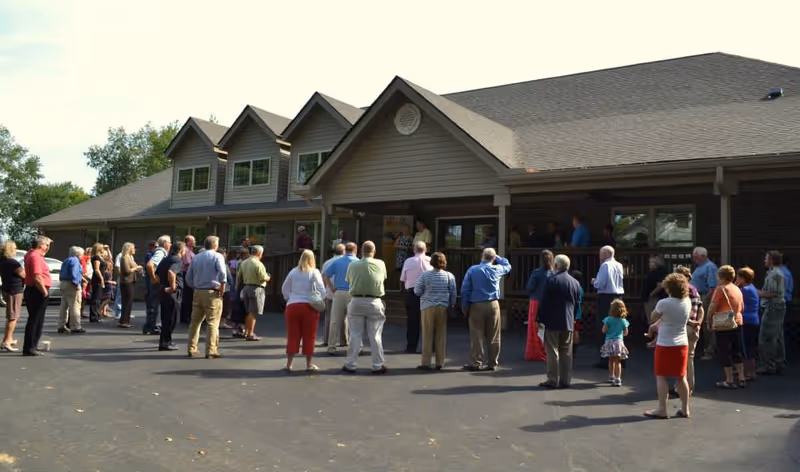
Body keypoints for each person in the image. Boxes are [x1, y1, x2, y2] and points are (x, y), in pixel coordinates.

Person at [645, 273, 692, 419]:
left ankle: (662, 409)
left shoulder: (664, 303)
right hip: (682, 343)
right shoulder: (687, 302)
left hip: (665, 343)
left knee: (661, 376)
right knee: (681, 377)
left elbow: (654, 316)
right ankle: (685, 409)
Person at [461, 248, 512, 371]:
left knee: (477, 335)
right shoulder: (497, 269)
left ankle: (476, 362)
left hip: (477, 304)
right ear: (493, 259)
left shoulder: (473, 270)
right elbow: (507, 265)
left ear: (482, 256)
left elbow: (465, 289)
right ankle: (492, 363)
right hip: (494, 304)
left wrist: (465, 305)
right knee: (494, 335)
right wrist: (497, 257)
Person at [341, 241, 388, 374]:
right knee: (375, 335)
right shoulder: (381, 264)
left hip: (356, 300)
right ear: (374, 251)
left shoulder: (353, 264)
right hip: (374, 300)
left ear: (361, 251)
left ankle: (350, 364)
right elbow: (382, 278)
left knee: (355, 335)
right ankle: (377, 365)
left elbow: (348, 280)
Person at [537, 254, 581, 388]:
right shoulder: (575, 282)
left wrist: (540, 318)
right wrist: (574, 318)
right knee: (566, 351)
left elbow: (544, 302)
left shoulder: (551, 280)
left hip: (552, 320)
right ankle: (566, 379)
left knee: (552, 350)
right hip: (568, 320)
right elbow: (577, 303)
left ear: (556, 265)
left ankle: (552, 379)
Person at [281, 250, 326, 372]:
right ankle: (309, 364)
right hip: (309, 307)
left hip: (293, 306)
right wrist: (320, 299)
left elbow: (284, 288)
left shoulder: (293, 272)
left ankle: (289, 364)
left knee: (293, 335)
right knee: (309, 336)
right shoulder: (314, 272)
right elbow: (322, 290)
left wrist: (289, 298)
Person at [185, 236, 227, 359]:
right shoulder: (217, 256)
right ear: (215, 245)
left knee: (195, 322)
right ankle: (211, 350)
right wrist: (222, 286)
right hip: (212, 292)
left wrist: (195, 286)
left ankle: (191, 348)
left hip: (198, 291)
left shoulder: (196, 257)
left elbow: (188, 276)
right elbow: (222, 273)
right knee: (212, 322)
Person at [414, 252, 456, 370]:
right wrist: (451, 304)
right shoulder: (449, 276)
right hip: (442, 306)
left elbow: (417, 291)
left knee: (427, 334)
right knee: (441, 335)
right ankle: (440, 362)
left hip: (427, 306)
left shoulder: (425, 275)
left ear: (431, 262)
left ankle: (426, 362)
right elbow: (453, 292)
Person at [707, 265, 745, 389]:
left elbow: (712, 306)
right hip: (737, 321)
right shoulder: (737, 289)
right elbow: (742, 307)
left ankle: (729, 380)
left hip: (724, 323)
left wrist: (709, 321)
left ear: (720, 276)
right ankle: (741, 377)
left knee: (724, 351)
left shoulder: (720, 289)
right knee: (736, 350)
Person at [323, 242, 359, 354]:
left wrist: (332, 287)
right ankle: (357, 346)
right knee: (355, 320)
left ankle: (331, 346)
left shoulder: (337, 261)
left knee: (334, 320)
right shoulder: (358, 262)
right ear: (355, 250)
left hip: (338, 292)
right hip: (353, 293)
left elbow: (325, 275)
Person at [22, 236, 53, 356]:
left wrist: (47, 242)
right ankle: (30, 347)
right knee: (36, 320)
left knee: (36, 319)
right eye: (46, 245)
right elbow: (37, 276)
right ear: (41, 245)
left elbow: (42, 252)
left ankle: (32, 345)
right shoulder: (35, 257)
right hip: (37, 290)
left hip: (32, 289)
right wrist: (44, 291)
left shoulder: (31, 254)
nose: (47, 247)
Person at [758, 251, 787, 375]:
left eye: (766, 258)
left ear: (771, 260)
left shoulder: (774, 274)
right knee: (778, 336)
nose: (764, 260)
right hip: (778, 307)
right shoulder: (776, 273)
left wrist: (756, 292)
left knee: (766, 337)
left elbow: (772, 294)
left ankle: (768, 365)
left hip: (773, 307)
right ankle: (779, 362)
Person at [400, 241, 432, 353]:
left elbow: (402, 279)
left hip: (412, 292)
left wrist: (405, 293)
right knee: (429, 322)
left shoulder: (408, 261)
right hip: (427, 292)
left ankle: (411, 347)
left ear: (414, 249)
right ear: (425, 249)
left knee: (412, 322)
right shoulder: (430, 261)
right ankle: (430, 347)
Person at [524, 250, 554, 361]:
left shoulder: (536, 272)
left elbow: (529, 287)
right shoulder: (554, 273)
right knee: (547, 328)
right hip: (549, 302)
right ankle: (546, 351)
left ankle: (534, 353)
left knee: (534, 328)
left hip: (536, 301)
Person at [592, 246, 624, 346]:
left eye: (600, 254)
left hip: (605, 297)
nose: (599, 256)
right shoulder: (619, 265)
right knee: (617, 324)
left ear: (605, 254)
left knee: (604, 323)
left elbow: (600, 283)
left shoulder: (605, 265)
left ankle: (604, 356)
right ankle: (618, 352)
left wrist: (594, 282)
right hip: (618, 296)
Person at [237, 245, 270, 341]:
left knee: (248, 312)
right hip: (256, 289)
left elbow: (239, 277)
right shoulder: (258, 264)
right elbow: (263, 277)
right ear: (259, 253)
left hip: (246, 287)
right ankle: (250, 334)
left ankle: (247, 331)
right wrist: (268, 277)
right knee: (253, 312)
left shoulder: (244, 262)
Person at [156, 242, 185, 351]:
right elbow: (171, 272)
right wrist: (172, 287)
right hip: (172, 293)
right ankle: (166, 342)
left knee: (165, 318)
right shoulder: (176, 260)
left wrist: (162, 285)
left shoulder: (165, 259)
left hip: (164, 290)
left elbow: (157, 275)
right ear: (181, 250)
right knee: (171, 319)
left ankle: (164, 341)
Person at [692, 247, 718, 359]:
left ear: (703, 256)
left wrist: (705, 301)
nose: (694, 258)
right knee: (700, 324)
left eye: (695, 256)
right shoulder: (700, 267)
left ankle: (710, 350)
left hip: (704, 297)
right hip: (697, 297)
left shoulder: (710, 267)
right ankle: (705, 348)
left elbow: (712, 287)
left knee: (707, 324)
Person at [736, 267, 760, 381]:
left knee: (745, 348)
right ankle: (751, 371)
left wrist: (736, 285)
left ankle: (748, 372)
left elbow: (734, 296)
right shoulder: (753, 288)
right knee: (751, 347)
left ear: (742, 278)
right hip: (754, 319)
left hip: (746, 320)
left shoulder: (744, 290)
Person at [0, 241, 25, 352]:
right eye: (14, 248)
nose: (16, 249)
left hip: (7, 288)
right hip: (14, 290)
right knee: (13, 317)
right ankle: (6, 342)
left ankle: (7, 339)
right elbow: (23, 274)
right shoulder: (13, 263)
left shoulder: (3, 261)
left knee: (11, 315)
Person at [319, 244, 345, 347]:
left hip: (329, 293)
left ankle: (326, 339)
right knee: (344, 317)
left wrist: (325, 291)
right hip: (342, 292)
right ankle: (343, 340)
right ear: (343, 252)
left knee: (328, 317)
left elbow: (323, 278)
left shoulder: (327, 263)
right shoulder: (345, 262)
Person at [145, 235, 171, 335]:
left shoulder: (160, 252)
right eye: (169, 242)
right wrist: (153, 277)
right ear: (165, 243)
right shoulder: (160, 252)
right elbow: (150, 265)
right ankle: (154, 326)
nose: (170, 244)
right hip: (157, 283)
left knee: (153, 303)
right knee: (155, 304)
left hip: (157, 282)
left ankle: (149, 326)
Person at [601, 299, 630, 386]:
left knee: (611, 361)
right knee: (618, 362)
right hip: (619, 342)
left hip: (609, 342)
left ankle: (611, 376)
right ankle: (618, 379)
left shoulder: (608, 320)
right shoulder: (623, 321)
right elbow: (626, 333)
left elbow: (604, 330)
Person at [58, 246, 86, 334]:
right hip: (71, 284)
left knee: (64, 306)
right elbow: (74, 273)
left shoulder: (66, 260)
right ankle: (75, 326)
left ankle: (61, 325)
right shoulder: (75, 261)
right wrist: (77, 283)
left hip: (63, 283)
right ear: (78, 254)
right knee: (75, 305)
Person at [118, 242, 142, 329]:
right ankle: (124, 321)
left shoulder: (130, 258)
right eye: (133, 248)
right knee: (127, 302)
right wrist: (136, 268)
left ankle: (124, 320)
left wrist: (138, 268)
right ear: (129, 249)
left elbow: (134, 267)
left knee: (128, 301)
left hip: (130, 281)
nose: (134, 250)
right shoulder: (124, 258)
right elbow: (126, 271)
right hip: (126, 282)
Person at [642, 256, 668, 326]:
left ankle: (654, 335)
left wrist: (652, 294)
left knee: (653, 320)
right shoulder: (654, 272)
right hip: (653, 298)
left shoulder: (658, 273)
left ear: (656, 263)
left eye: (651, 262)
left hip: (654, 299)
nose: (649, 264)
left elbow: (660, 285)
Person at [89, 243, 107, 323]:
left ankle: (96, 314)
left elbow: (109, 259)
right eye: (102, 247)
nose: (103, 248)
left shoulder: (101, 257)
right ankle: (93, 316)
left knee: (98, 297)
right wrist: (101, 278)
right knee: (96, 297)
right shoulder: (96, 257)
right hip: (97, 279)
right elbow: (96, 269)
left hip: (99, 278)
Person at [180, 235, 196, 324]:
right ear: (188, 242)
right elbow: (187, 263)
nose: (195, 242)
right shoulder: (186, 251)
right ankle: (185, 316)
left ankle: (186, 315)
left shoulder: (191, 251)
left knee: (188, 296)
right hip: (186, 273)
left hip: (189, 273)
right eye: (193, 241)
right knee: (187, 296)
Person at [143, 240, 156, 319]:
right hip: (149, 278)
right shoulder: (149, 255)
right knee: (150, 296)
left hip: (150, 278)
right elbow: (150, 266)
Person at [112, 249, 123, 320]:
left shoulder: (130, 256)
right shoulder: (120, 255)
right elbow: (117, 266)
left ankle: (123, 313)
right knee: (120, 295)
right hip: (122, 277)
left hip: (127, 278)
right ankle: (118, 313)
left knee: (124, 296)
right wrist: (121, 276)